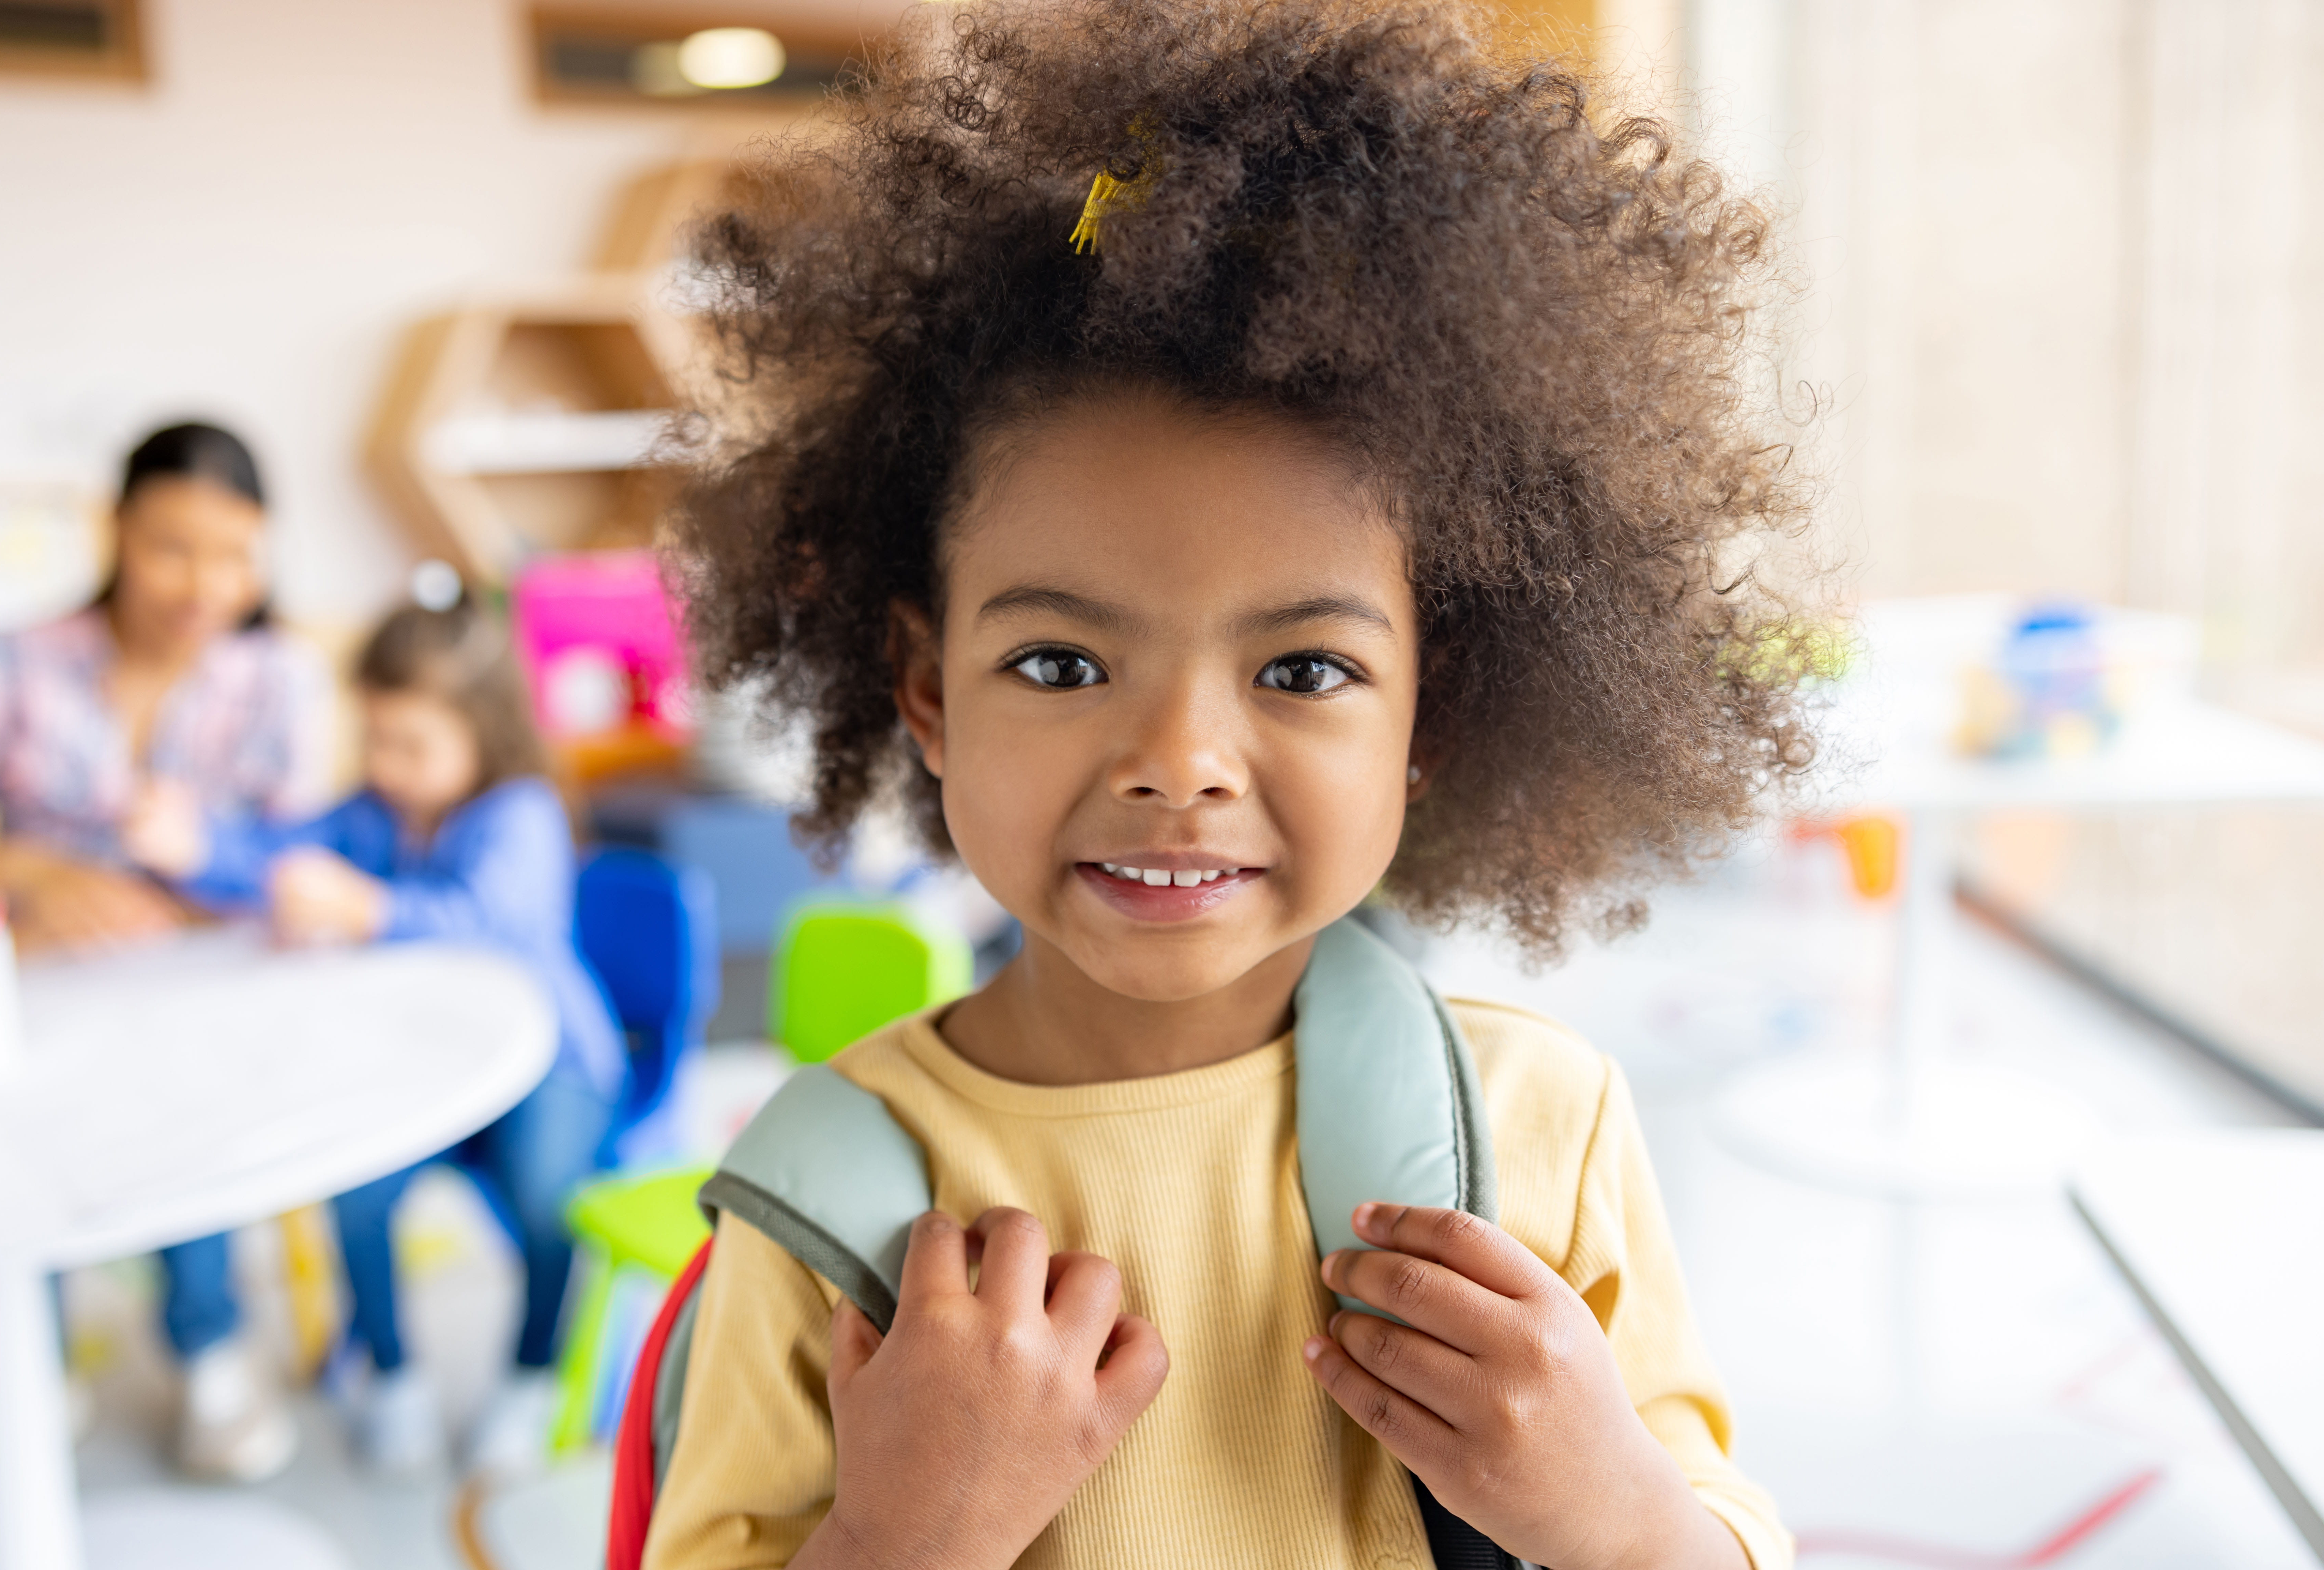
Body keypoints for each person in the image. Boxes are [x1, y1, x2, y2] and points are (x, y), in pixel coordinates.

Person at [641, 2, 1812, 1568]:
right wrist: (902, 1535)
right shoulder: (826, 1201)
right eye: (1060, 663)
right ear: (924, 692)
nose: (1177, 764)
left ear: (1430, 707)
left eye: (1303, 670)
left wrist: (1613, 1510)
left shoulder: (1538, 1126)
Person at [0, 420, 336, 1489]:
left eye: (235, 555)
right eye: (172, 548)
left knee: (193, 1110)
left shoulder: (282, 677)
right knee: (6, 1142)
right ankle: (24, 1372)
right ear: (113, 531)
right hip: (33, 1004)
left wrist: (175, 894)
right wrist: (20, 871)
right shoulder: (8, 666)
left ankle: (209, 1345)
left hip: (201, 1008)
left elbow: (302, 872)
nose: (205, 586)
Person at [126, 565, 623, 1478]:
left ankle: (532, 1376)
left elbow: (493, 920)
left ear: (484, 730)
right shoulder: (374, 813)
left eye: (412, 744)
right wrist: (197, 847)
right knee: (354, 1182)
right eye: (376, 740)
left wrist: (368, 910)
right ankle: (393, 1374)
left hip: (551, 1061)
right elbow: (279, 857)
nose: (387, 765)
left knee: (547, 1199)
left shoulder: (522, 812)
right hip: (426, 1063)